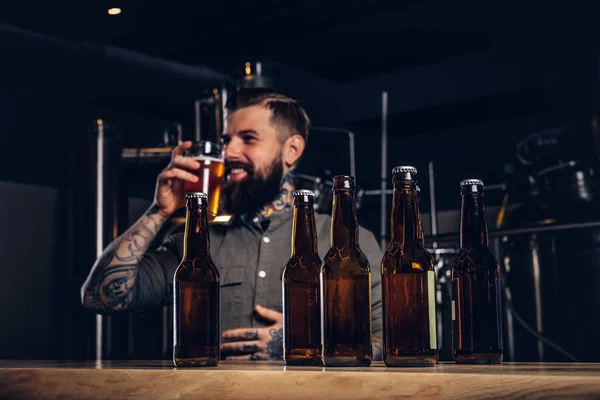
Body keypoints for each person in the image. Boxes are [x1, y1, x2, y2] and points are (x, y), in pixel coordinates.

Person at [81, 89, 383, 361]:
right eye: (226, 140)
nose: (229, 152)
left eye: (248, 139)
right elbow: (101, 296)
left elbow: (387, 338)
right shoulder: (195, 242)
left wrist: (303, 343)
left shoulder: (348, 245)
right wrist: (158, 212)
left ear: (292, 150)